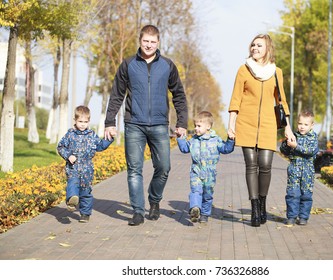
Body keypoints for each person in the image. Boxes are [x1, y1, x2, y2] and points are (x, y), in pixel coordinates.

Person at [104, 24, 188, 226]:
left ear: (158, 43)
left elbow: (179, 95)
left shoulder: (167, 65)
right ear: (139, 41)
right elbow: (117, 95)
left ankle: (154, 199)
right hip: (134, 124)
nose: (149, 45)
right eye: (145, 41)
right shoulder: (128, 64)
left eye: (152, 42)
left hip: (160, 124)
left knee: (164, 167)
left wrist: (182, 122)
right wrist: (109, 122)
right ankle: (138, 211)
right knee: (134, 169)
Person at [228, 33, 295, 227]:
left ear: (267, 49)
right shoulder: (243, 70)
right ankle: (255, 208)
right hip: (246, 123)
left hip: (268, 124)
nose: (255, 48)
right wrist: (232, 124)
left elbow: (281, 102)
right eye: (253, 45)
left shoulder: (276, 72)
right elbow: (235, 98)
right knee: (251, 165)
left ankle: (263, 201)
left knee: (265, 165)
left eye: (259, 46)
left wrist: (288, 129)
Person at [57, 105, 114, 223]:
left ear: (89, 121)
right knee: (72, 184)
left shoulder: (91, 135)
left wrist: (109, 139)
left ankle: (85, 214)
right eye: (80, 121)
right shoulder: (70, 134)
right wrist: (68, 155)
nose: (82, 124)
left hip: (87, 169)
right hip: (73, 167)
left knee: (86, 192)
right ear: (75, 121)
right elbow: (61, 146)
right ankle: (71, 201)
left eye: (85, 122)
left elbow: (100, 146)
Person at [177, 111, 235, 223]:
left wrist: (230, 140)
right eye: (195, 126)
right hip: (196, 171)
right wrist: (180, 138)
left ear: (208, 126)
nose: (196, 128)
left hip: (210, 173)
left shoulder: (216, 140)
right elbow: (184, 148)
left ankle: (205, 214)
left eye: (199, 126)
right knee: (195, 191)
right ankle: (195, 209)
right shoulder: (193, 140)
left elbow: (225, 149)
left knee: (207, 195)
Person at [280, 110, 319, 226]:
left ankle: (303, 217)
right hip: (294, 170)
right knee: (292, 194)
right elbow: (284, 151)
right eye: (300, 124)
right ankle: (291, 216)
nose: (302, 127)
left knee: (306, 195)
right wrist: (286, 144)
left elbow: (309, 151)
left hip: (308, 172)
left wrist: (296, 146)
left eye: (306, 124)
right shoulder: (294, 136)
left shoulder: (313, 138)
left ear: (311, 125)